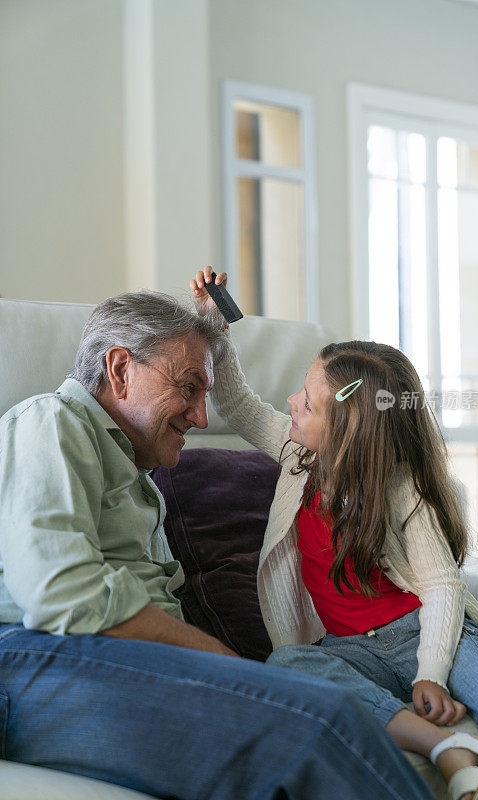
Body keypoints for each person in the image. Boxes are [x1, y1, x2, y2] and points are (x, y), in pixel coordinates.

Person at [0, 290, 436, 800]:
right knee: (319, 720)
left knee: (322, 706)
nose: (202, 417)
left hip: (104, 656)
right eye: (188, 388)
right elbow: (61, 592)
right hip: (38, 654)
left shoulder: (139, 475)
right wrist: (225, 665)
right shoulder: (48, 421)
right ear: (120, 369)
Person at [191, 268, 478, 800]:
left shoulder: (399, 488)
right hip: (351, 650)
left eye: (306, 401)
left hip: (425, 630)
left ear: (348, 428)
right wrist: (214, 328)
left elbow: (442, 587)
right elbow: (236, 403)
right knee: (289, 663)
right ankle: (443, 746)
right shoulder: (294, 453)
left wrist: (431, 675)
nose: (290, 403)